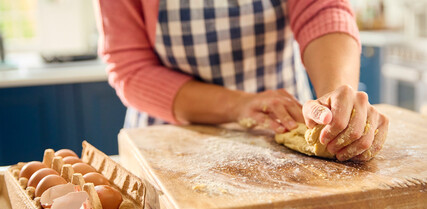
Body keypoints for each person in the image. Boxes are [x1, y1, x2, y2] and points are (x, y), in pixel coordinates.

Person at [94, 0, 388, 161]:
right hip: (170, 143)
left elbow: (321, 9)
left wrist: (335, 95)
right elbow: (131, 68)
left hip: (282, 127)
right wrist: (240, 105)